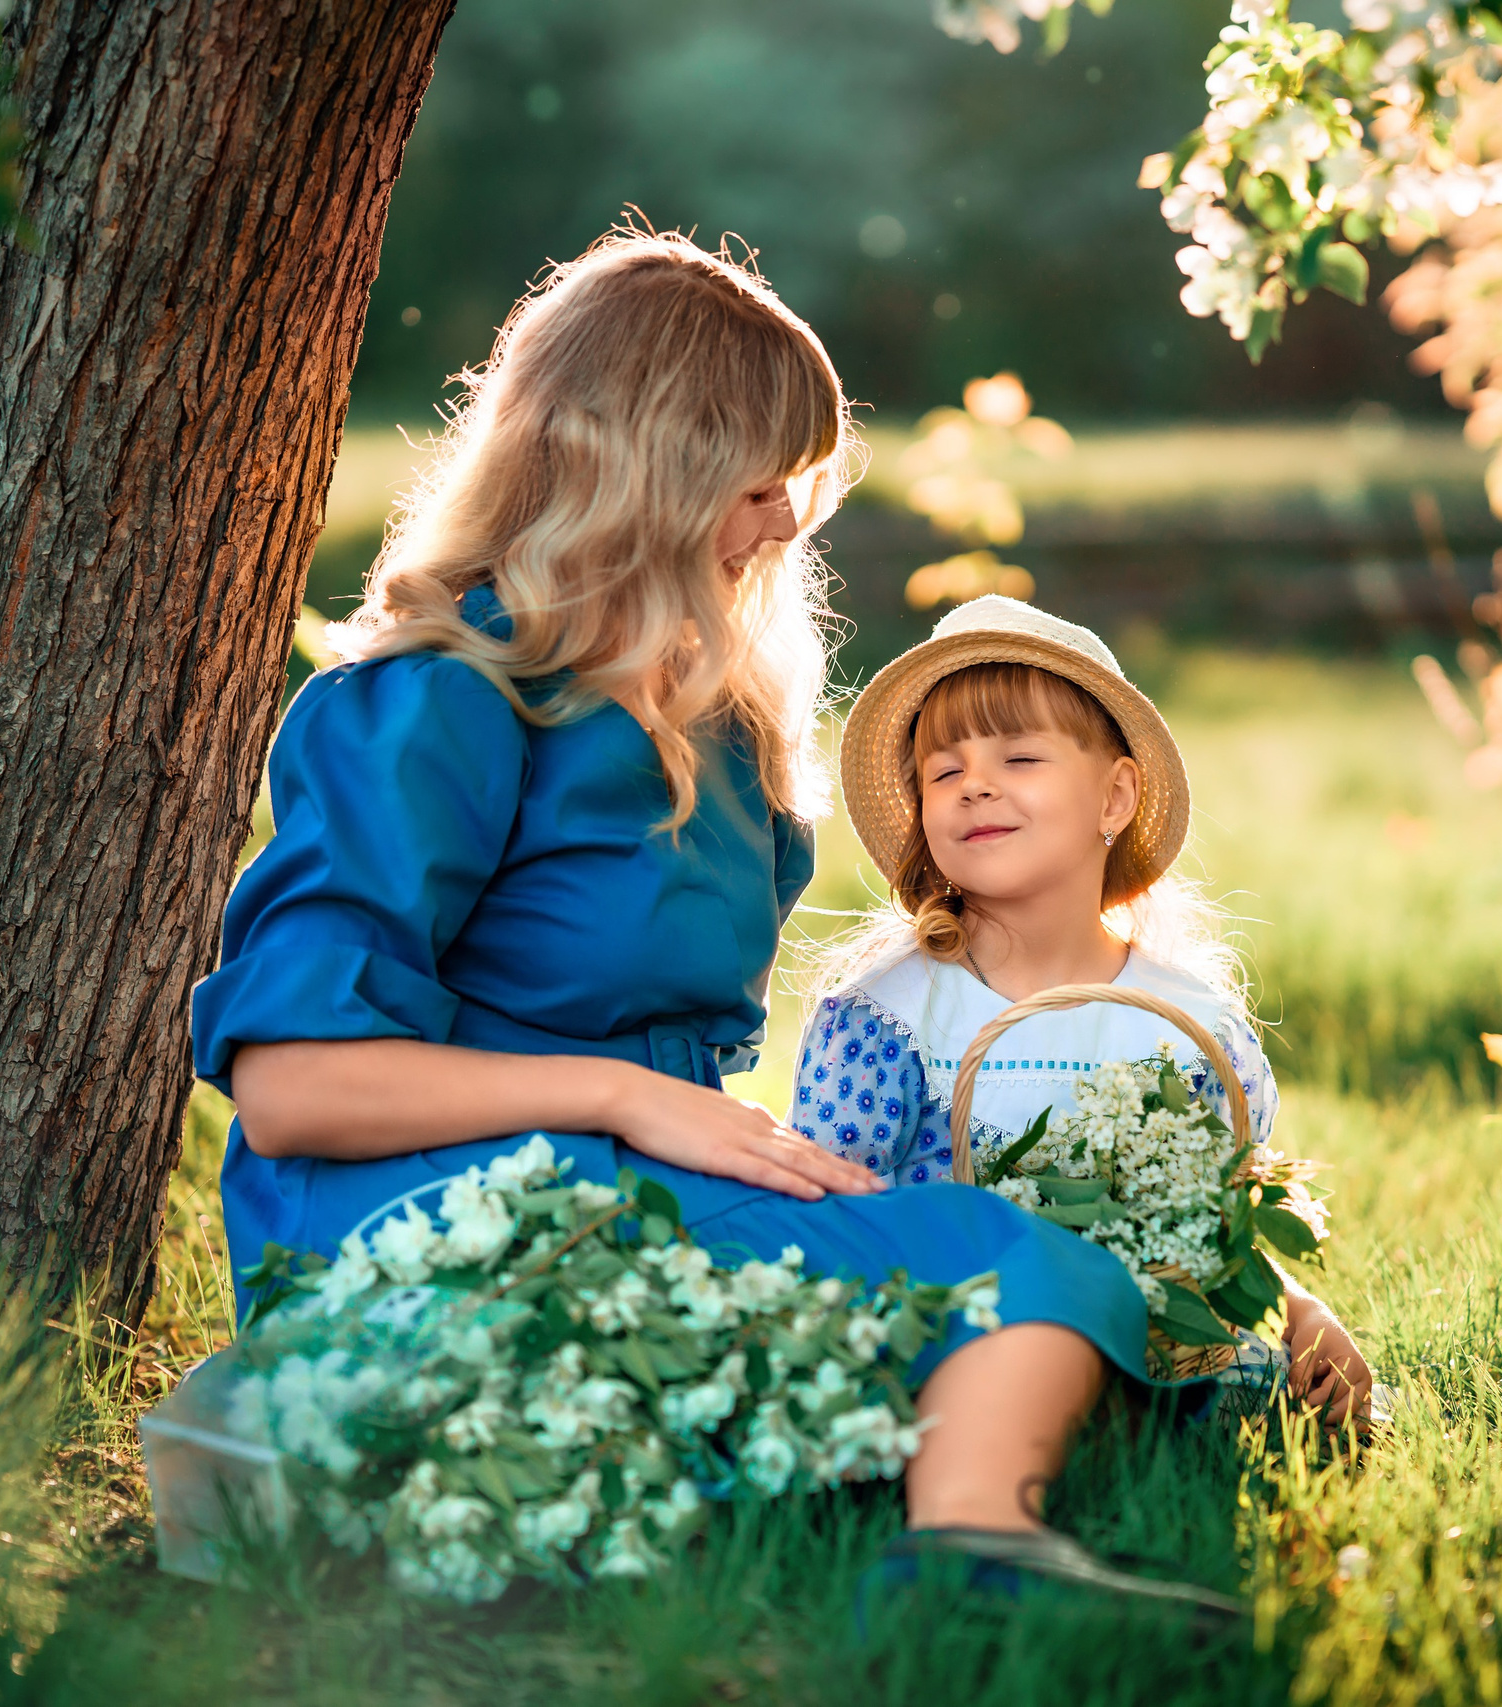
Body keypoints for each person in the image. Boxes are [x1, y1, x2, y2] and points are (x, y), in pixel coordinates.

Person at [190, 228, 1227, 1610]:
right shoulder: (443, 695)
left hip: (648, 1181)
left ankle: (964, 1551)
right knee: (950, 1303)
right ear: (646, 469)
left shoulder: (719, 727)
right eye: (759, 480)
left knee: (1038, 1265)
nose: (790, 520)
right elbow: (292, 1088)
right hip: (435, 1199)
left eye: (796, 481)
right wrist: (621, 1096)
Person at [792, 596, 1371, 1425]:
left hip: (1156, 1353)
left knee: (1274, 1393)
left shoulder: (1183, 1023)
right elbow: (830, 1223)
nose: (976, 783)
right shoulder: (887, 1019)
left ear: (1115, 797)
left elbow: (1211, 1227)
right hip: (950, 1348)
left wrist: (1297, 1307)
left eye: (1019, 756)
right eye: (944, 770)